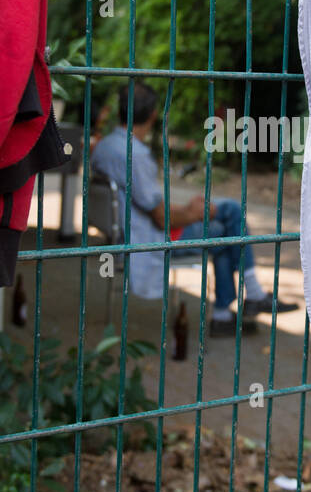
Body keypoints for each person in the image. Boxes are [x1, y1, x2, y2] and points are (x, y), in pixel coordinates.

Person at [90, 84, 299, 337]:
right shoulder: (134, 154)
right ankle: (242, 301)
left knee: (229, 214)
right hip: (148, 239)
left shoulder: (106, 146)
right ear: (154, 114)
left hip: (127, 229)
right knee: (225, 231)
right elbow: (160, 217)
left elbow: (144, 203)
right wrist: (198, 213)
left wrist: (189, 208)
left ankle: (241, 303)